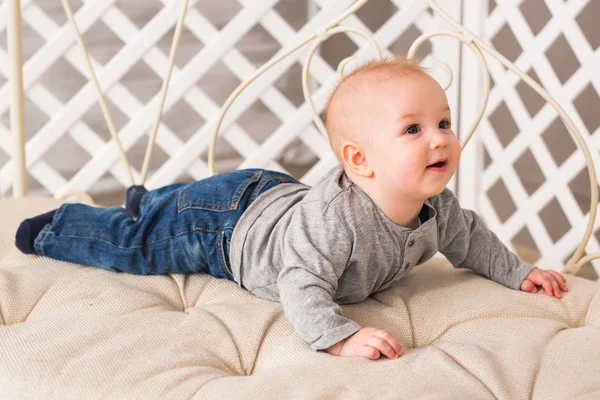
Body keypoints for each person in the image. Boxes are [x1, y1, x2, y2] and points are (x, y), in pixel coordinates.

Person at [15, 57, 569, 360]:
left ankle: (152, 200)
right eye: (413, 129)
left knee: (169, 207)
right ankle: (57, 227)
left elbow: (472, 239)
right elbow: (300, 287)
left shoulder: (437, 208)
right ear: (360, 159)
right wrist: (342, 336)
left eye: (443, 123)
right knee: (136, 245)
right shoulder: (336, 224)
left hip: (274, 194)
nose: (440, 139)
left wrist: (519, 273)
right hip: (226, 230)